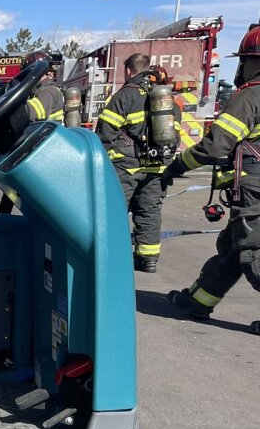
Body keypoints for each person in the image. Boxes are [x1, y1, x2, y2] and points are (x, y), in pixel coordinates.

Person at [162, 25, 260, 320]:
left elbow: (214, 147)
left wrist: (176, 167)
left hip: (256, 191)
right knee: (232, 249)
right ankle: (198, 302)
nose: (241, 67)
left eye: (244, 59)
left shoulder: (250, 97)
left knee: (252, 253)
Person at [95, 53, 182, 272]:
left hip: (127, 166)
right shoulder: (167, 99)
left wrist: (99, 163)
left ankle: (114, 257)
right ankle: (148, 259)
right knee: (149, 211)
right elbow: (176, 136)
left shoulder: (125, 96)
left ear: (128, 70)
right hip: (157, 166)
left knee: (116, 210)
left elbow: (105, 134)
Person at [0, 51, 67, 213]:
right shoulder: (36, 91)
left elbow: (32, 112)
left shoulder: (49, 91)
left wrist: (6, 109)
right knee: (11, 192)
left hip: (43, 153)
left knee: (31, 197)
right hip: (33, 151)